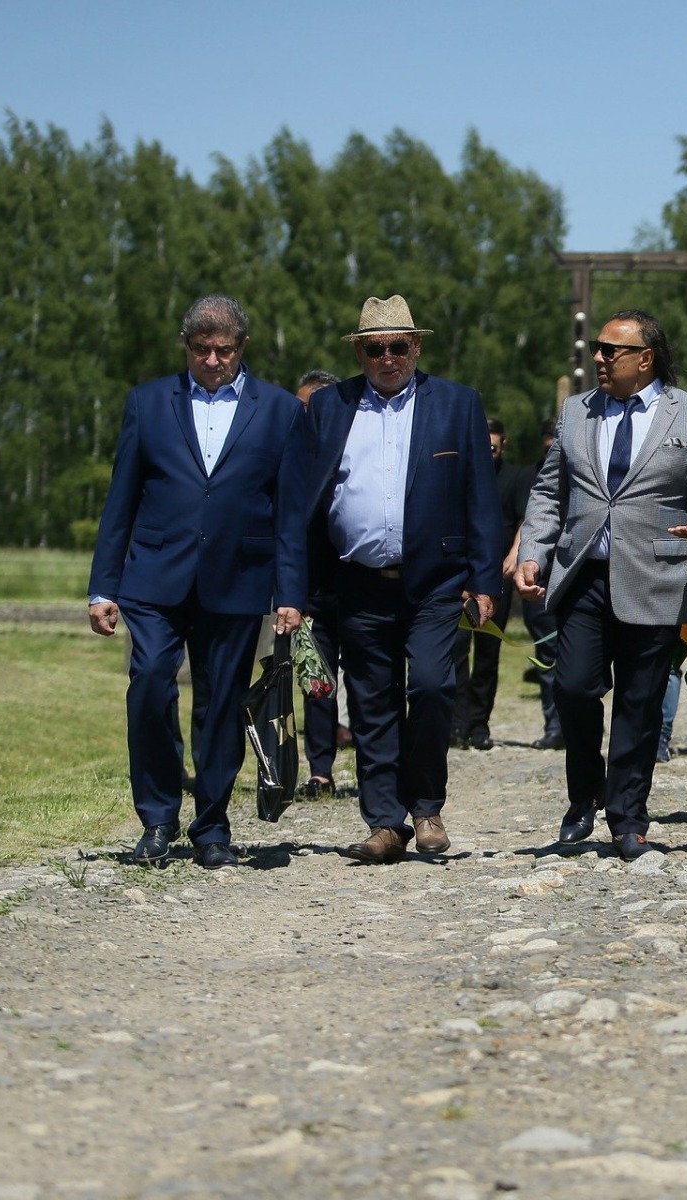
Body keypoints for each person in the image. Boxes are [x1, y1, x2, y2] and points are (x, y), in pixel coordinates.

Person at [87, 295, 308, 869]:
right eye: (202, 350)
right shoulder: (148, 403)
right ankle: (157, 819)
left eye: (224, 351)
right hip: (155, 577)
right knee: (152, 681)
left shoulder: (281, 411)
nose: (213, 361)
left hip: (239, 577)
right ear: (185, 345)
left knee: (220, 703)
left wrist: (290, 593)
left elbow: (290, 513)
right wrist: (102, 587)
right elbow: (122, 500)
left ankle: (211, 826)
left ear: (243, 348)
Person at [513, 309, 687, 861]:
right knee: (573, 688)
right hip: (583, 573)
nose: (599, 359)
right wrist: (532, 551)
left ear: (646, 358)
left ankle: (628, 817)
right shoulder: (574, 412)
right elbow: (549, 493)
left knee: (639, 703)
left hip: (655, 577)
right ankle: (584, 795)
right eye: (598, 348)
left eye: (611, 350)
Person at [303, 296, 500, 864]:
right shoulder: (331, 406)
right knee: (371, 704)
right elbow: (307, 500)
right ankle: (385, 821)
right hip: (357, 581)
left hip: (437, 580)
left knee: (434, 686)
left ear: (417, 346)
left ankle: (426, 806)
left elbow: (480, 500)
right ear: (360, 352)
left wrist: (484, 580)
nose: (387, 358)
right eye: (374, 348)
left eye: (398, 346)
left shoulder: (457, 404)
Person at [294, 369, 347, 797]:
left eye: (310, 408)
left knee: (372, 687)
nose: (304, 415)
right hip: (311, 593)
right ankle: (320, 769)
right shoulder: (294, 459)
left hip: (361, 587)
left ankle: (380, 767)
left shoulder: (355, 451)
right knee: (317, 683)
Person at [451, 417, 519, 751]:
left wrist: (515, 555)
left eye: (493, 447)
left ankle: (480, 723)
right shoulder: (462, 475)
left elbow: (527, 517)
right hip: (462, 578)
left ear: (502, 445)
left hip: (497, 578)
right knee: (457, 651)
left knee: (488, 653)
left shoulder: (515, 478)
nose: (488, 452)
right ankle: (457, 722)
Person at [504, 426, 563, 749]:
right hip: (539, 576)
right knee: (547, 653)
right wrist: (516, 553)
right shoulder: (530, 478)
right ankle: (554, 725)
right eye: (548, 449)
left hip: (574, 575)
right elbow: (526, 520)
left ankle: (574, 722)